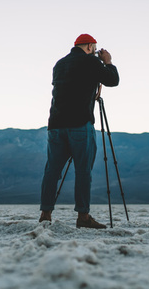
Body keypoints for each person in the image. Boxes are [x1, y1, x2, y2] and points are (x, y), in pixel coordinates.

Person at [39, 33, 120, 229]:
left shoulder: (59, 64)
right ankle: (83, 217)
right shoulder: (90, 62)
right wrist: (107, 62)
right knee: (83, 171)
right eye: (95, 47)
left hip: (56, 125)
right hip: (80, 125)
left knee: (52, 171)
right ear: (90, 46)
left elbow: (73, 87)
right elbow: (112, 80)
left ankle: (45, 214)